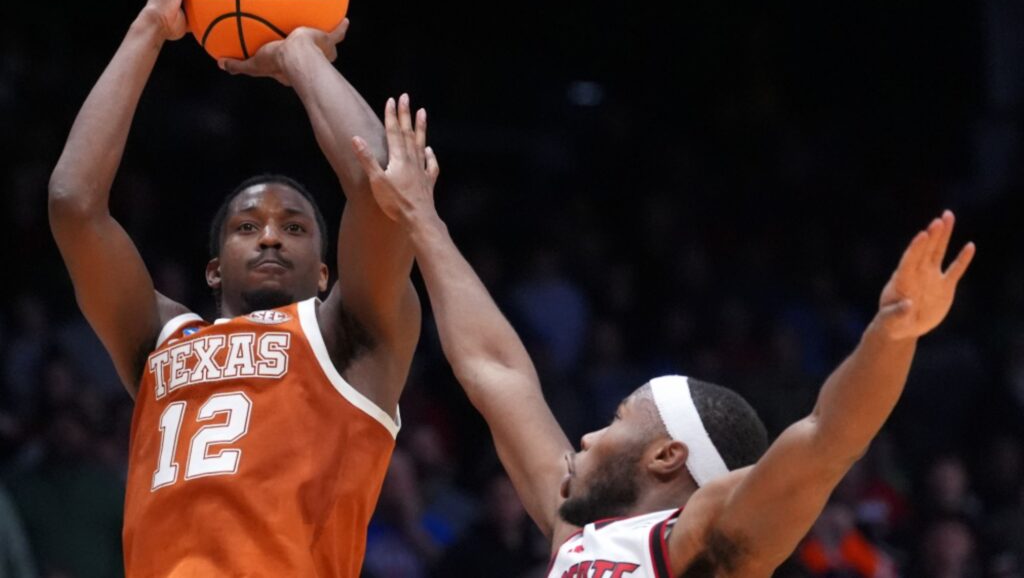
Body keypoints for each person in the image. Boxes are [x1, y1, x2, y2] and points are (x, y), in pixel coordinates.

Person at [351, 106, 976, 577]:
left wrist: (892, 330)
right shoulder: (572, 531)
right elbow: (495, 370)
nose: (589, 436)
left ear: (667, 456)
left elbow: (826, 439)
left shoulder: (702, 540)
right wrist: (420, 218)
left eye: (620, 420)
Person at [47, 0, 421, 576]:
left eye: (295, 227)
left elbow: (388, 185)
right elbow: (74, 206)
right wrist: (148, 28)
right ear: (213, 267)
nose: (271, 232)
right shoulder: (162, 339)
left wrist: (300, 54)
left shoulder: (350, 337)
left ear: (327, 272)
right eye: (247, 227)